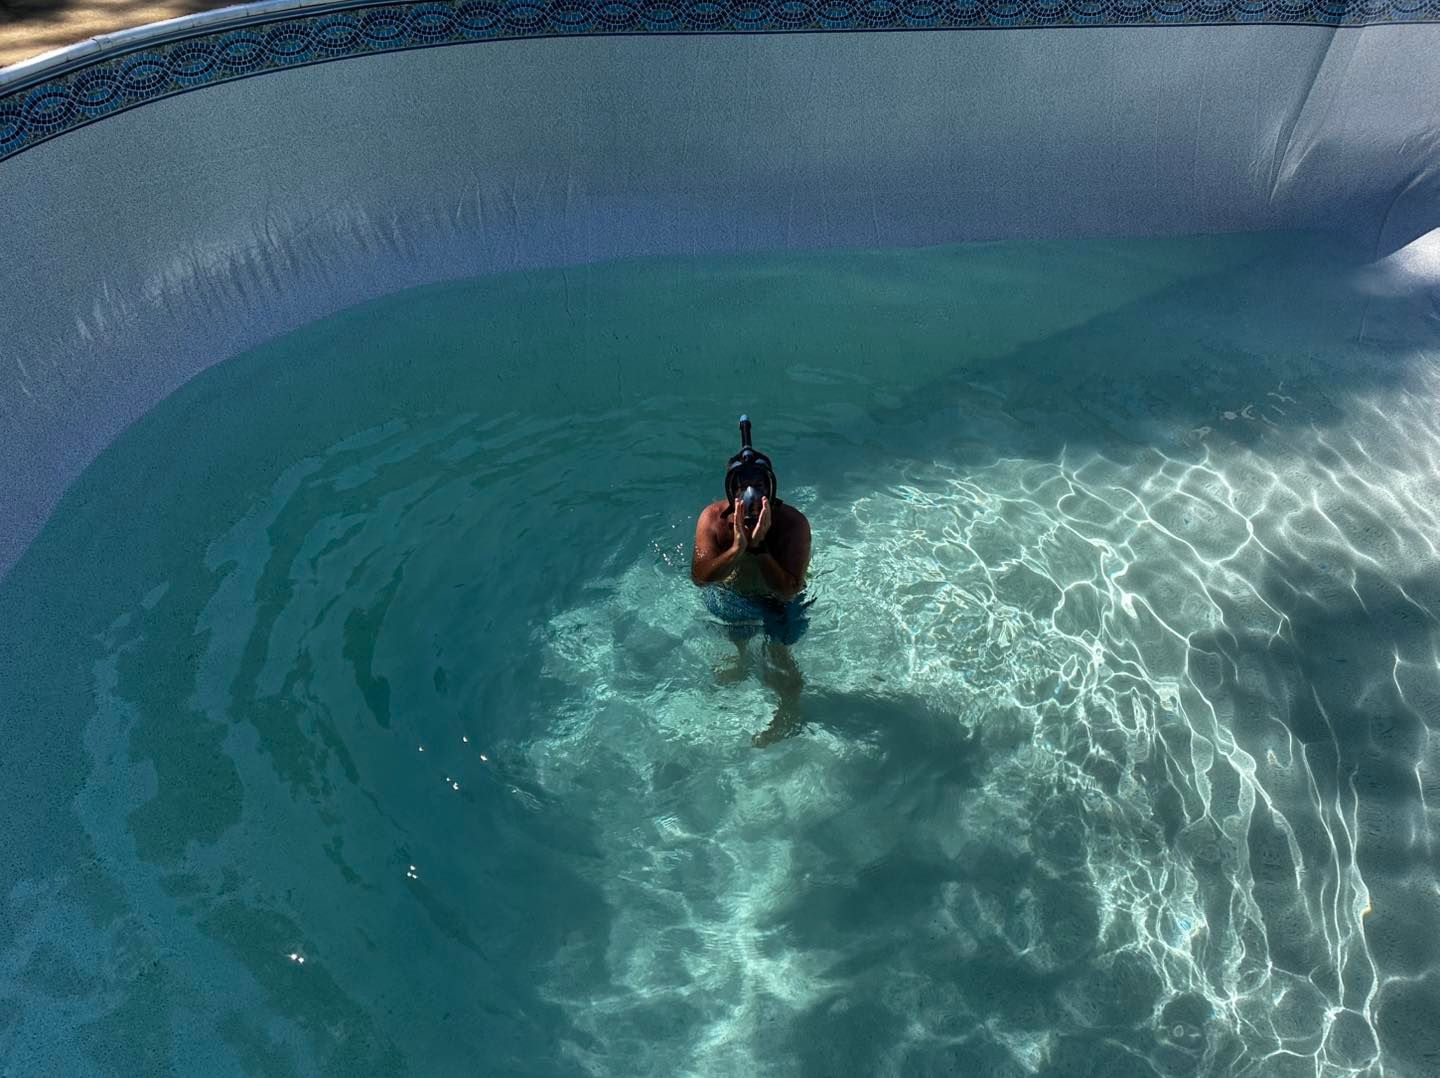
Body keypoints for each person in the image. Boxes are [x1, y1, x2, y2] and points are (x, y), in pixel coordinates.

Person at [691, 416, 813, 746]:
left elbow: (789, 590)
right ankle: (742, 660)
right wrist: (736, 548)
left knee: (779, 658)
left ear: (771, 490)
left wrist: (759, 548)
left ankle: (790, 711)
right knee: (738, 635)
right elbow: (701, 578)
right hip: (734, 596)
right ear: (730, 491)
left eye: (758, 487)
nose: (749, 496)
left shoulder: (792, 525)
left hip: (777, 602)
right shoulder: (713, 520)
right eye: (742, 488)